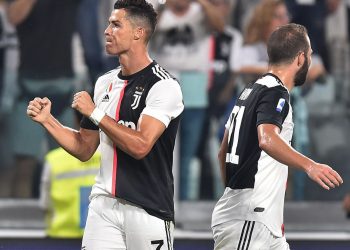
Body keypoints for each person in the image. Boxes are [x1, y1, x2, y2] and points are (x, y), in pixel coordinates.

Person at [27, 0, 184, 249]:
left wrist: (96, 113)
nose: (106, 31)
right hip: (103, 206)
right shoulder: (104, 84)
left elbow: (141, 145)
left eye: (115, 24)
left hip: (148, 208)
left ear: (138, 33)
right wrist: (49, 121)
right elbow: (84, 148)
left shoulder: (164, 85)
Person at [211, 23, 343, 250]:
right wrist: (310, 166)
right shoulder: (275, 92)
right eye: (310, 55)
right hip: (250, 219)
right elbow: (267, 138)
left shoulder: (250, 91)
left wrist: (235, 193)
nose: (310, 61)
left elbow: (223, 152)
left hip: (263, 222)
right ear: (300, 59)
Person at [150, 0, 225, 200]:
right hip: (161, 84)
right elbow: (144, 30)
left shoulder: (200, 12)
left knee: (186, 157)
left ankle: (180, 205)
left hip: (193, 87)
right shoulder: (159, 11)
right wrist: (162, 6)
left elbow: (220, 25)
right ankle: (160, 201)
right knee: (161, 153)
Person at [6, 0, 80, 198]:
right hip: (29, 86)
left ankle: (65, 224)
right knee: (25, 165)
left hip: (64, 85)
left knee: (66, 164)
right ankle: (18, 227)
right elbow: (13, 17)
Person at [39, 111, 100, 238]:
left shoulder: (54, 159)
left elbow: (45, 204)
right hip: (99, 236)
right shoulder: (112, 156)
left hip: (61, 236)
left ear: (75, 120)